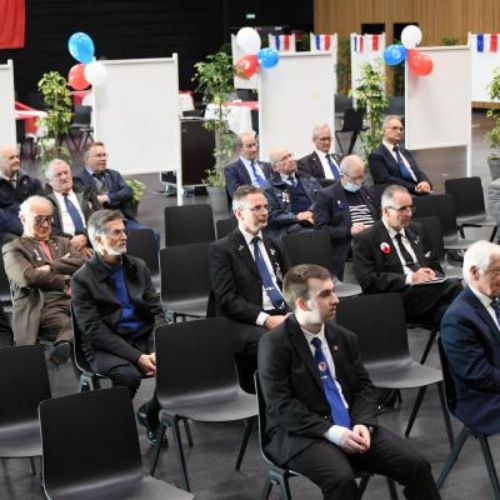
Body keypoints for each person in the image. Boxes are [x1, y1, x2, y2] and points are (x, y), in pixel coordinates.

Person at [258, 264, 441, 500]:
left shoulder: (344, 338)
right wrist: (332, 432)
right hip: (300, 434)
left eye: (333, 291)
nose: (336, 300)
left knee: (416, 465)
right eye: (325, 294)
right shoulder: (274, 345)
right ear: (302, 304)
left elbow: (364, 388)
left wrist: (363, 422)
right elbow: (281, 406)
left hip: (352, 425)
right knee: (341, 480)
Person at [71, 209, 165, 444]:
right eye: (116, 233)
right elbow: (93, 330)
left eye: (124, 231)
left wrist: (157, 348)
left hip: (141, 336)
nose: (124, 237)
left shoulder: (138, 266)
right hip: (105, 346)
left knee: (178, 362)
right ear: (98, 239)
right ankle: (112, 431)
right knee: (128, 376)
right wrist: (137, 357)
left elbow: (156, 312)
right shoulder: (82, 279)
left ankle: (150, 413)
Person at [208, 185, 289, 392]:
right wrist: (266, 320)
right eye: (256, 208)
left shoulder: (275, 245)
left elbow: (289, 285)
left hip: (279, 312)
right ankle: (269, 401)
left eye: (265, 207)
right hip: (244, 320)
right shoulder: (222, 250)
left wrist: (291, 312)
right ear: (239, 213)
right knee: (274, 341)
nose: (264, 212)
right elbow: (227, 300)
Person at [352, 184, 462, 326]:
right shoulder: (366, 239)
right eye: (402, 209)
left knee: (451, 315)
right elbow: (368, 282)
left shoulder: (417, 230)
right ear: (386, 211)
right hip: (397, 298)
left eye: (410, 208)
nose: (409, 214)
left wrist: (432, 273)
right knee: (455, 286)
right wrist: (410, 278)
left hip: (429, 294)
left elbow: (435, 265)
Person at [2, 196, 84, 363]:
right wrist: (65, 277)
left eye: (48, 219)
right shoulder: (13, 248)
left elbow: (83, 263)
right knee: (83, 323)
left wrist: (50, 266)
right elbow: (28, 278)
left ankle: (65, 342)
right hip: (44, 307)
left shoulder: (64, 242)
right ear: (23, 219)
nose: (45, 224)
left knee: (95, 314)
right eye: (38, 219)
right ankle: (66, 345)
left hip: (75, 301)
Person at [441, 240, 500, 435]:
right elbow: (479, 377)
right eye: (497, 271)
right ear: (475, 273)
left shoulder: (492, 301)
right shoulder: (458, 319)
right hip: (483, 401)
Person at [74, 142, 159, 241]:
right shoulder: (79, 179)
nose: (103, 158)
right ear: (86, 159)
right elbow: (85, 203)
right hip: (101, 225)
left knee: (152, 235)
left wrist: (107, 198)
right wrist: (97, 201)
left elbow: (128, 191)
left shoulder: (113, 174)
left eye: (104, 155)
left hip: (122, 221)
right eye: (99, 155)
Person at [314, 155, 379, 279]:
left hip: (374, 236)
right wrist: (348, 231)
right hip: (350, 243)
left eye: (362, 177)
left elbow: (379, 217)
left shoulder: (367, 191)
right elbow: (320, 230)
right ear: (342, 176)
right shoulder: (327, 196)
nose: (359, 182)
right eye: (355, 178)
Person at [45, 158, 99, 257]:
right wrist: (72, 242)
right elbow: (48, 229)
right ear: (50, 181)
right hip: (63, 249)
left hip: (94, 241)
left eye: (66, 172)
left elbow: (100, 217)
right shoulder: (45, 202)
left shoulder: (87, 194)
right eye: (58, 175)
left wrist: (85, 237)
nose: (64, 177)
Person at [264, 147, 321, 241]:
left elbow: (322, 198)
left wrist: (310, 212)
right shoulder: (268, 188)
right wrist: (297, 217)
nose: (290, 160)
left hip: (314, 220)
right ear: (275, 168)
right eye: (284, 159)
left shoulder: (308, 178)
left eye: (290, 156)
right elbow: (271, 215)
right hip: (290, 227)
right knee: (315, 236)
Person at [368, 116, 432, 195]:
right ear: (384, 131)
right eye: (394, 128)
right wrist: (414, 188)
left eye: (401, 129)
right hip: (398, 196)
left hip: (419, 193)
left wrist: (425, 182)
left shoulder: (405, 152)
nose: (399, 132)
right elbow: (386, 180)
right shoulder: (376, 155)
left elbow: (418, 172)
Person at [0, 145, 43, 245]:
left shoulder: (32, 182)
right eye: (11, 158)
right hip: (7, 233)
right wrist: (24, 230)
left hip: (34, 229)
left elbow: (42, 206)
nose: (16, 160)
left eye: (17, 157)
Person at [224, 131, 273, 198]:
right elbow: (236, 194)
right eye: (249, 146)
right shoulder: (232, 169)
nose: (254, 149)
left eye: (255, 145)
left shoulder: (267, 166)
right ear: (240, 149)